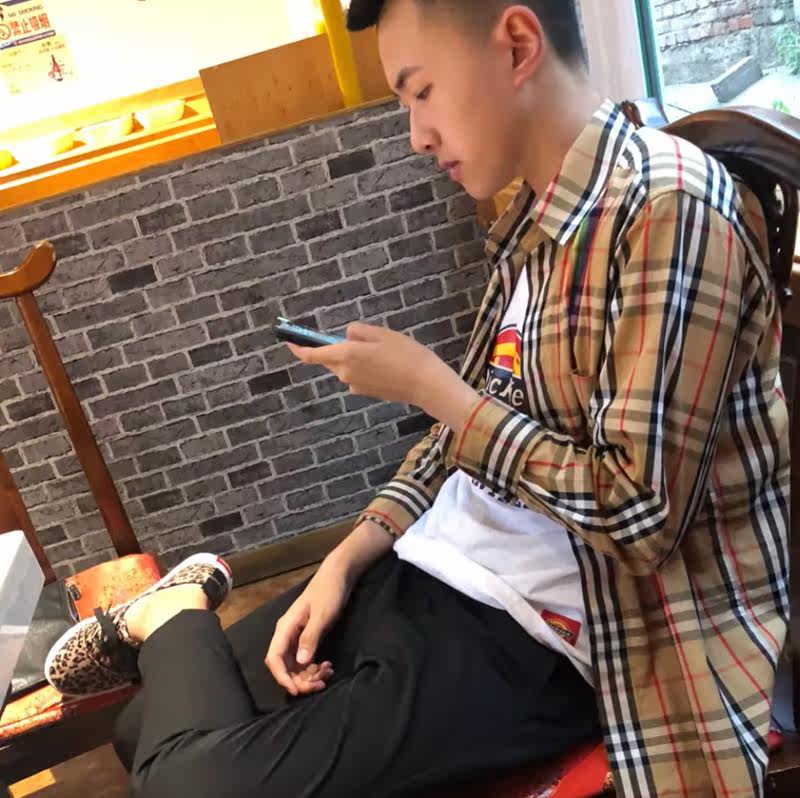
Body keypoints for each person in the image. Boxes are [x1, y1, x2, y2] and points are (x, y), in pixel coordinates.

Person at [44, 1, 789, 796]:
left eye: (421, 91)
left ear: (517, 45)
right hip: (438, 559)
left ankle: (171, 610)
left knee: (186, 777)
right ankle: (179, 608)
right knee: (144, 726)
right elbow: (467, 433)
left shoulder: (670, 210)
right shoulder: (539, 220)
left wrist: (435, 389)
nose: (416, 135)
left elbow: (638, 518)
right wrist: (345, 558)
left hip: (554, 631)